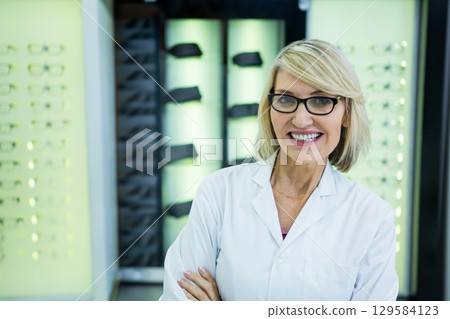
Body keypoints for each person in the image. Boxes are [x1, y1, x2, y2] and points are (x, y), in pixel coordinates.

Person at [159, 39, 399, 301]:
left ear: (346, 113)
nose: (301, 119)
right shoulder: (218, 192)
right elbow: (177, 300)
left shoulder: (373, 219)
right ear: (270, 107)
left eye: (320, 100)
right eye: (286, 99)